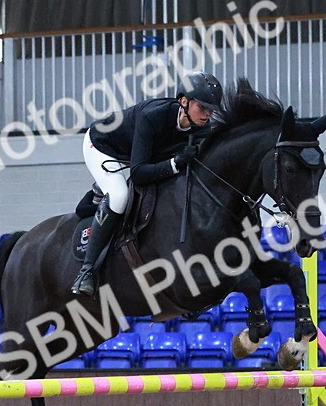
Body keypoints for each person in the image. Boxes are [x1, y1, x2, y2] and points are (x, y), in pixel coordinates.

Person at [70, 71, 225, 298]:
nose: (207, 115)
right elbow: (139, 173)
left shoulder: (203, 129)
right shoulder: (153, 116)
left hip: (141, 153)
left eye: (211, 110)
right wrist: (174, 163)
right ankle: (86, 272)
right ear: (184, 101)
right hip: (104, 146)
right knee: (120, 195)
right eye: (202, 107)